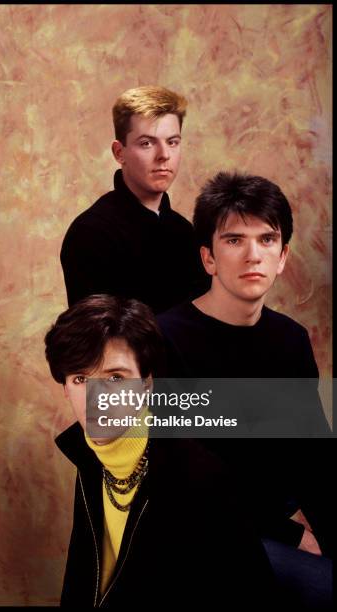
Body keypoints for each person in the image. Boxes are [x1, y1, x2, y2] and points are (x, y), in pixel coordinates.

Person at [158, 171, 333, 607]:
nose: (253, 255)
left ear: (283, 255)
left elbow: (311, 456)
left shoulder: (290, 339)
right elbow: (179, 479)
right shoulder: (163, 339)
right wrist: (291, 533)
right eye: (234, 240)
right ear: (209, 259)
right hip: (197, 532)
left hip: (269, 524)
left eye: (267, 239)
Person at [44, 294, 276, 607]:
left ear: (147, 383)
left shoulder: (197, 476)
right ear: (64, 387)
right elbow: (86, 578)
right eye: (81, 378)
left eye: (115, 377)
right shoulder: (89, 456)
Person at [60, 85, 209, 312]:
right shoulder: (91, 233)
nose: (164, 155)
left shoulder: (185, 232)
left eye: (172, 142)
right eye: (146, 143)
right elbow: (98, 341)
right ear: (120, 153)